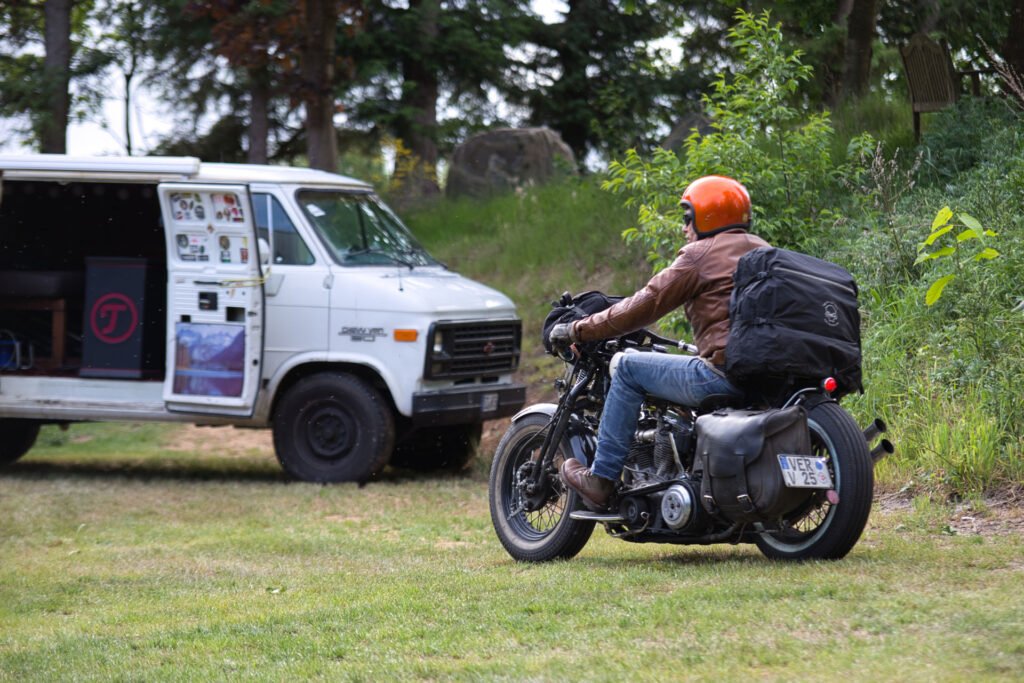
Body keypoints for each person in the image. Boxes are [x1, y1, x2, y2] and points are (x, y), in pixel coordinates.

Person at [547, 175, 770, 510]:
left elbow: (644, 305)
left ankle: (602, 479)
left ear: (707, 216)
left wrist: (579, 329)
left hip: (723, 373)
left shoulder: (700, 255)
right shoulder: (766, 251)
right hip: (770, 377)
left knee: (626, 365)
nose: (684, 228)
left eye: (687, 217)